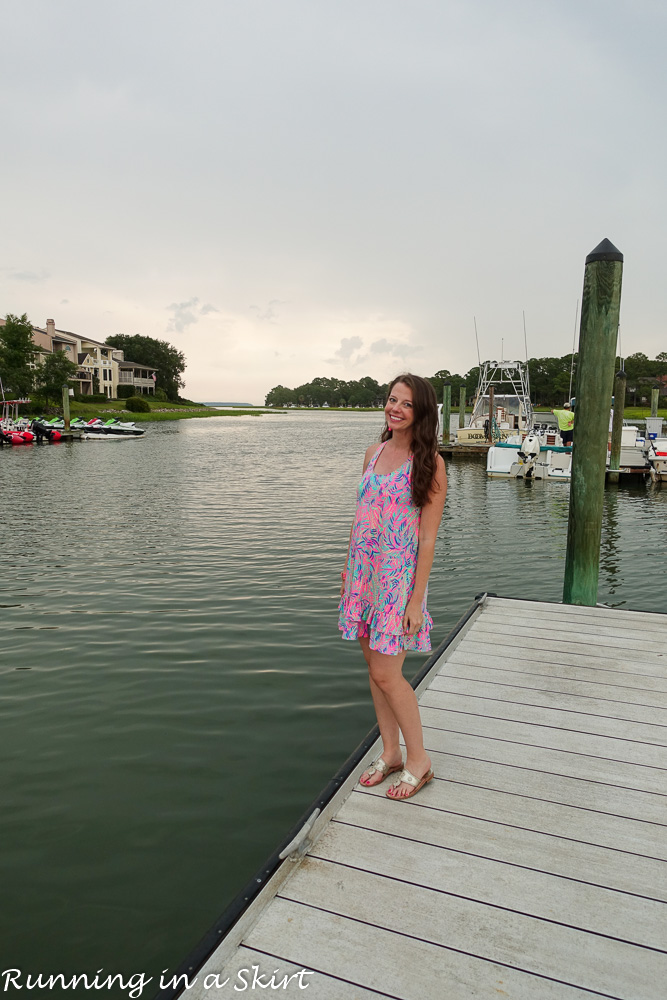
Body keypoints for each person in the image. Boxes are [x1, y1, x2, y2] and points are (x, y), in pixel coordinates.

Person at [338, 374, 447, 800]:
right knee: (375, 672)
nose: (395, 408)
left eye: (405, 403)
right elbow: (361, 518)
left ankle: (419, 760)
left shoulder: (429, 462)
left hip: (396, 583)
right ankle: (391, 751)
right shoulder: (373, 452)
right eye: (391, 400)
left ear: (421, 413)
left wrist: (416, 599)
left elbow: (427, 538)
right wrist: (347, 579)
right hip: (362, 578)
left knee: (388, 674)